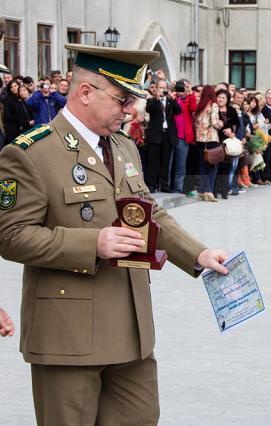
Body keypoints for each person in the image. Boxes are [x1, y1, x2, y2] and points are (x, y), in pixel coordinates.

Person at [0, 43, 229, 425]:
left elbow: (148, 212)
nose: (131, 110)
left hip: (131, 328)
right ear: (85, 92)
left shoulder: (123, 147)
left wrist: (197, 254)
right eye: (123, 99)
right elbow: (11, 235)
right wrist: (93, 243)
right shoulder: (30, 153)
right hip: (67, 334)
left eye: (133, 100)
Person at [145, 79, 181, 192]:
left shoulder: (170, 101)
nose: (163, 90)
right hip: (155, 134)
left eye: (165, 88)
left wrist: (172, 98)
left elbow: (179, 111)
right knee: (153, 161)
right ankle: (152, 185)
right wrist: (157, 98)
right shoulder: (152, 100)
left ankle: (165, 185)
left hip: (168, 135)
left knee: (165, 161)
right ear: (156, 89)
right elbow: (148, 109)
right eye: (160, 88)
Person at [194, 85, 223, 202]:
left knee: (202, 165)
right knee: (212, 165)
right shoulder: (213, 105)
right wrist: (221, 123)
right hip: (211, 138)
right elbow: (215, 122)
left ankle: (203, 190)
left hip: (200, 139)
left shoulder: (199, 105)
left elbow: (196, 122)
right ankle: (209, 191)